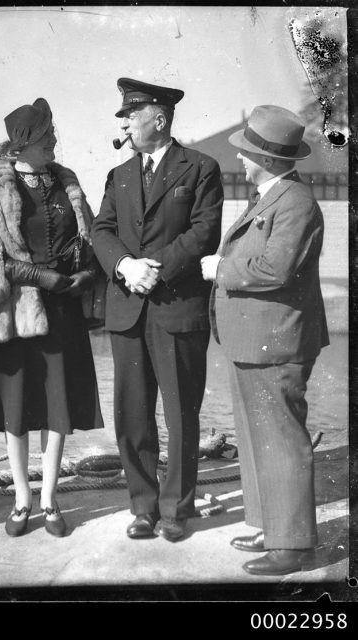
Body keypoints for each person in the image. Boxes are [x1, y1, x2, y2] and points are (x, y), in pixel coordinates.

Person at [0, 98, 104, 537]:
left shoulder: (68, 186)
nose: (55, 141)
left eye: (53, 133)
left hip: (63, 316)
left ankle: (50, 498)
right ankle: (22, 499)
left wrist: (86, 273)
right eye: (47, 136)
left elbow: (89, 241)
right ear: (23, 144)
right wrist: (45, 278)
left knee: (59, 408)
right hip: (14, 319)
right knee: (15, 413)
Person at [91, 78, 223, 542]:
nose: (125, 122)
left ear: (158, 118)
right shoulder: (119, 175)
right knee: (132, 413)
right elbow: (101, 231)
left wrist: (157, 269)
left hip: (176, 308)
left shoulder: (201, 168)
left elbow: (205, 234)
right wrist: (126, 266)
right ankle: (143, 507)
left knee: (181, 413)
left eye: (131, 114)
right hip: (128, 309)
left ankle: (176, 510)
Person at [201, 105, 329, 575]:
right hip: (253, 339)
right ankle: (270, 528)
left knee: (281, 440)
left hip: (275, 342)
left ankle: (293, 546)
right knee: (257, 441)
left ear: (269, 160)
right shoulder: (271, 195)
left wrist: (220, 269)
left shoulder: (294, 202)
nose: (239, 158)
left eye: (246, 152)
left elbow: (276, 269)